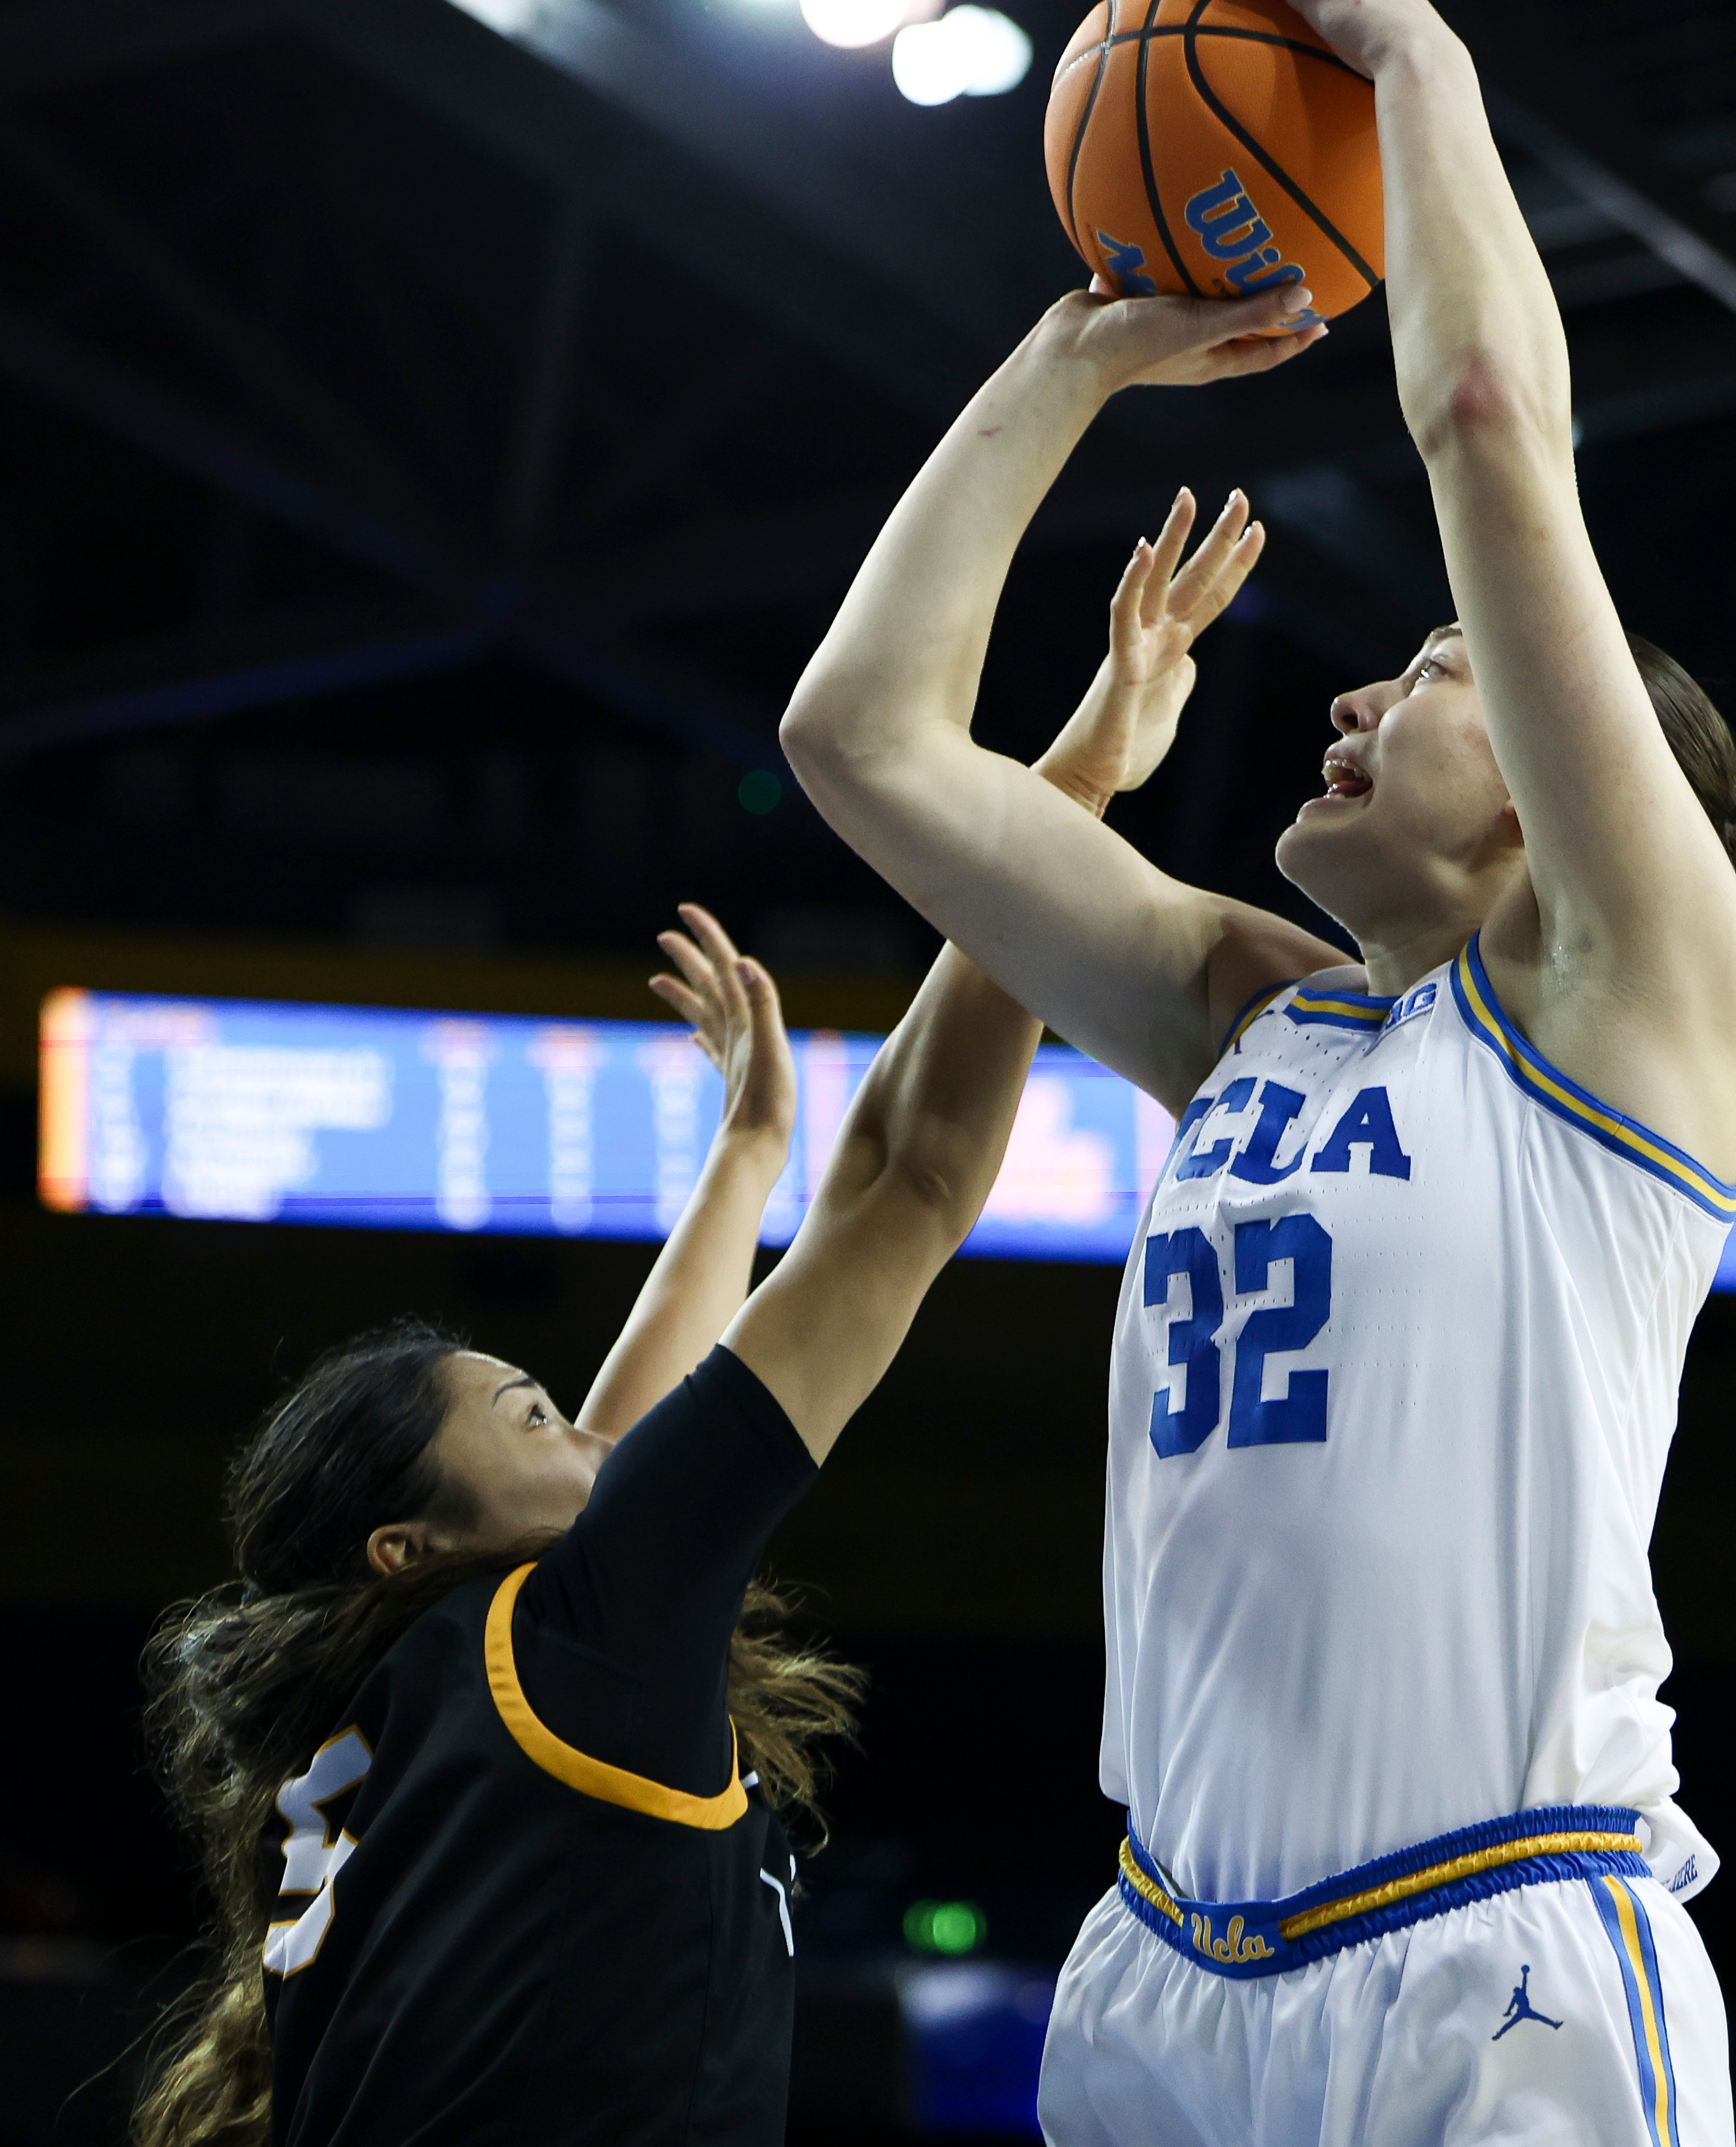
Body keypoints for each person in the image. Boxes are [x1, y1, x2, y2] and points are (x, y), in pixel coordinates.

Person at [779, 0, 1736, 2146]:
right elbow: (862, 735)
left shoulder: (1633, 1016)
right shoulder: (1252, 1023)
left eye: (1436, 670)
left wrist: (1418, 61)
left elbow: (1484, 417)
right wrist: (1072, 361)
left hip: (1500, 1961)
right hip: (1166, 1975)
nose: (1358, 692)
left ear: (1575, 807)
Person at [131, 581, 1244, 2147]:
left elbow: (622, 1431)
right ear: (411, 1542)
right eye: (527, 1411)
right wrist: (1069, 793)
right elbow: (912, 1181)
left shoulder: (440, 1690)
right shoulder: (558, 1639)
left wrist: (748, 1155)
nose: (580, 1422)